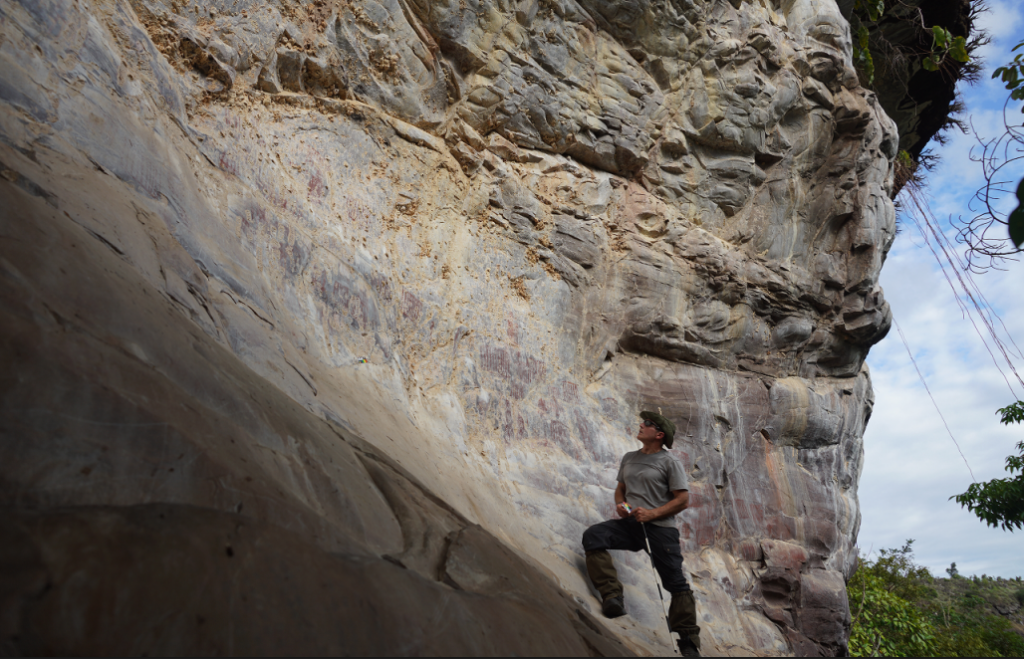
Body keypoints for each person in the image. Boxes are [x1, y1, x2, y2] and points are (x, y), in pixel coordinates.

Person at [582, 411, 702, 657]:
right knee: (594, 536)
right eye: (642, 421)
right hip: (632, 524)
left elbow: (683, 500)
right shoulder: (629, 458)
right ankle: (612, 597)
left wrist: (652, 514)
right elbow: (621, 490)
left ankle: (688, 641)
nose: (641, 425)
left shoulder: (670, 462)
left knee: (675, 584)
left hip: (660, 530)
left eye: (647, 423)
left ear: (659, 435)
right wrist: (623, 507)